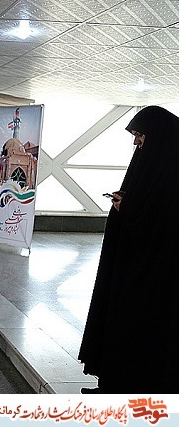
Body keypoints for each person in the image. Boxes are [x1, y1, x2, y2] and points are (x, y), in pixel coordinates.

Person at [78, 105, 179, 393]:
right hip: (133, 265)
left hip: (156, 274)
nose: (137, 142)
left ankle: (131, 387)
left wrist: (131, 208)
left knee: (140, 328)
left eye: (140, 135)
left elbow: (167, 222)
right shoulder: (152, 163)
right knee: (121, 322)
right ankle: (113, 383)